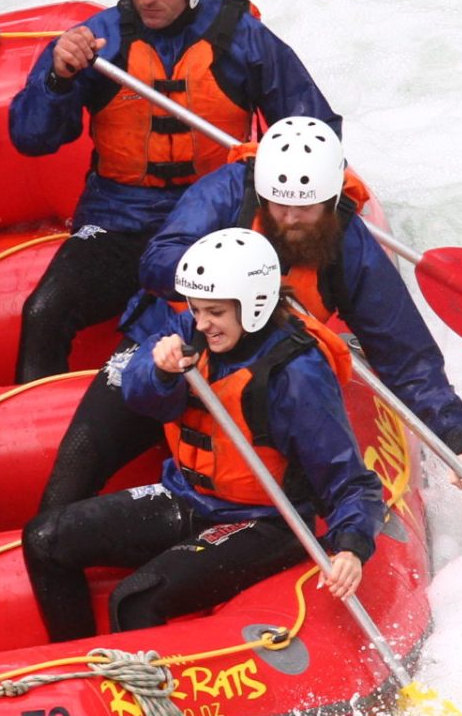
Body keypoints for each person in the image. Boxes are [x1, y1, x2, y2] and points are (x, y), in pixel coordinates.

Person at [6, 0, 339, 382]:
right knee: (43, 311)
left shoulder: (241, 39)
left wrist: (307, 195)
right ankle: (36, 429)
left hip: (214, 219)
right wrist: (58, 79)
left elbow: (312, 124)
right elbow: (32, 138)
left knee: (239, 331)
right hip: (118, 223)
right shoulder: (97, 42)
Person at [22, 229, 381, 641]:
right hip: (188, 497)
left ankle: (153, 698)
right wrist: (159, 372)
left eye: (214, 312)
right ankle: (76, 662)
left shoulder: (296, 376)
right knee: (44, 539)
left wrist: (352, 545)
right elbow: (140, 395)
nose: (201, 323)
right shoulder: (190, 331)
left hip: (263, 522)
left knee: (135, 599)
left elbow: (348, 478)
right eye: (195, 310)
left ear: (254, 306)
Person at [141, 116, 462, 498]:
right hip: (181, 352)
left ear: (330, 200)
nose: (291, 218)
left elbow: (406, 356)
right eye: (279, 205)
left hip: (272, 381)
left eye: (305, 208)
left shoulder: (348, 244)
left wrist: (457, 441)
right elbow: (156, 261)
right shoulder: (226, 193)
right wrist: (231, 278)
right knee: (95, 440)